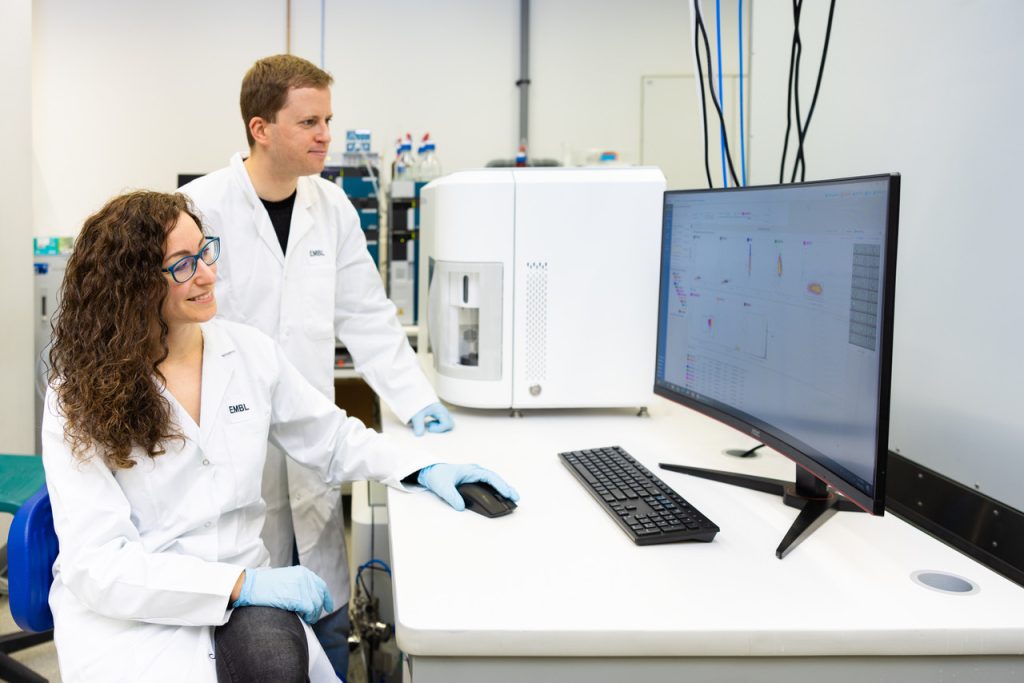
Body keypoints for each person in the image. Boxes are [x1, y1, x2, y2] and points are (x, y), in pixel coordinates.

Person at [41, 191, 517, 682]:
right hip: (133, 619)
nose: (207, 273)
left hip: (248, 594)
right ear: (133, 284)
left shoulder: (247, 353)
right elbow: (98, 566)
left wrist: (421, 468)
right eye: (182, 265)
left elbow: (330, 438)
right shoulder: (77, 396)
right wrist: (239, 584)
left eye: (207, 251)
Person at [179, 54, 451, 675]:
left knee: (323, 602)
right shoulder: (197, 207)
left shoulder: (333, 207)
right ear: (260, 128)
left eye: (327, 119)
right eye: (309, 122)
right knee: (248, 624)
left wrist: (419, 402)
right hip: (229, 435)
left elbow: (367, 317)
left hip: (311, 437)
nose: (325, 134)